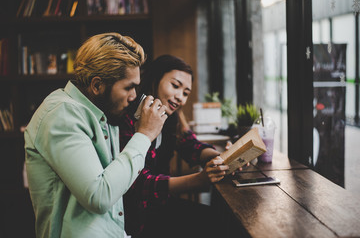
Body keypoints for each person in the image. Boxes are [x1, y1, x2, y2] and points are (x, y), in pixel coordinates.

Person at [24, 33, 168, 238]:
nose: (134, 96)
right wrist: (144, 135)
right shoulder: (61, 115)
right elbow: (98, 196)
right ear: (97, 85)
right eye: (129, 87)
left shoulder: (102, 112)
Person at [118, 55, 231, 238]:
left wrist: (221, 157)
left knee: (219, 220)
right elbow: (139, 184)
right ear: (155, 81)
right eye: (175, 86)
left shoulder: (170, 117)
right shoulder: (128, 118)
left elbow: (190, 144)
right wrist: (199, 180)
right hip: (135, 221)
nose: (180, 98)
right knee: (215, 223)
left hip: (158, 208)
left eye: (186, 93)